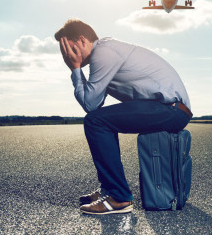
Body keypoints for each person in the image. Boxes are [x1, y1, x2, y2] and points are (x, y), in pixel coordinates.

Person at [55, 19, 192, 215]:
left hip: (171, 110)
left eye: (67, 48)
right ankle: (109, 190)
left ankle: (118, 198)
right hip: (168, 108)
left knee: (96, 122)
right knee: (100, 119)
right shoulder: (105, 52)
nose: (66, 55)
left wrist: (75, 69)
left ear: (82, 41)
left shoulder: (103, 52)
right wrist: (77, 69)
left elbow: (90, 105)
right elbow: (94, 103)